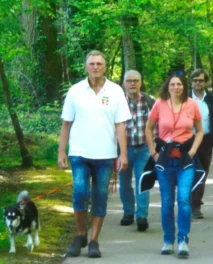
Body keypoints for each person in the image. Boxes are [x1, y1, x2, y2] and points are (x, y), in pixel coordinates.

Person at [58, 50, 131, 258]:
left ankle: (94, 241)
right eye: (92, 63)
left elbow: (120, 125)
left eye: (99, 63)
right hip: (79, 153)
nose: (95, 67)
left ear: (105, 67)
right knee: (80, 194)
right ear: (86, 67)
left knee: (100, 197)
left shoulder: (115, 91)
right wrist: (62, 151)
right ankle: (80, 234)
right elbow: (66, 123)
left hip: (105, 155)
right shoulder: (75, 91)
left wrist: (123, 154)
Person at [145, 74, 203, 258]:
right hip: (165, 161)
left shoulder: (192, 104)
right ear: (167, 86)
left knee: (184, 200)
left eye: (179, 84)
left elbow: (200, 131)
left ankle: (183, 239)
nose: (176, 87)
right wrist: (153, 152)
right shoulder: (159, 104)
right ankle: (168, 240)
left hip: (185, 160)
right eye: (172, 84)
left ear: (184, 87)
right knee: (167, 202)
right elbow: (149, 128)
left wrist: (193, 151)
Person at [119, 70, 156, 231]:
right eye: (129, 81)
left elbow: (159, 123)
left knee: (143, 181)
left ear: (141, 82)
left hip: (144, 148)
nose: (132, 84)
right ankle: (128, 213)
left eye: (135, 80)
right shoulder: (118, 102)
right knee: (124, 183)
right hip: (123, 149)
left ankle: (142, 216)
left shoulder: (150, 101)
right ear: (124, 83)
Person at [189, 69, 213, 219]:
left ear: (206, 82)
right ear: (191, 82)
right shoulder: (185, 98)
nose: (198, 83)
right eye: (195, 80)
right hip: (187, 141)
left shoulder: (211, 99)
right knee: (188, 173)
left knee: (202, 173)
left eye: (201, 80)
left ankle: (196, 205)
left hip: (206, 140)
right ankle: (188, 203)